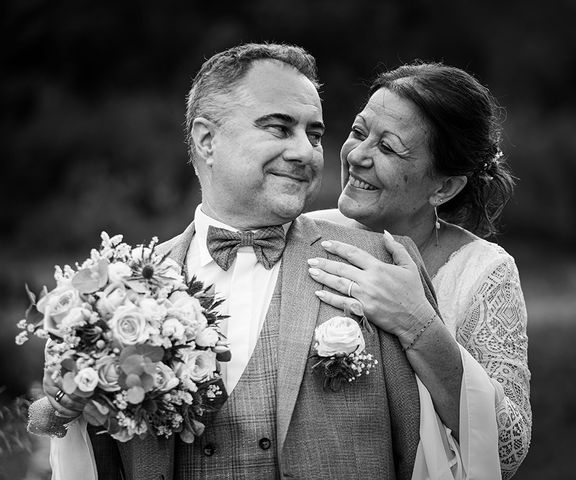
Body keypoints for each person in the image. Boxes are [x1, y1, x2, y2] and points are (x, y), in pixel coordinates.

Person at [33, 43, 468, 480]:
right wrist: (62, 401)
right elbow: (90, 453)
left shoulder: (379, 266)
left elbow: (430, 452)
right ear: (207, 140)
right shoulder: (117, 293)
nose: (306, 152)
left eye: (314, 135)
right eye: (280, 128)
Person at [308, 62, 531, 479]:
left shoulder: (482, 273)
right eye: (359, 132)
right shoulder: (309, 235)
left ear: (443, 187)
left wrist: (417, 323)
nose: (356, 155)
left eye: (388, 148)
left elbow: (507, 446)